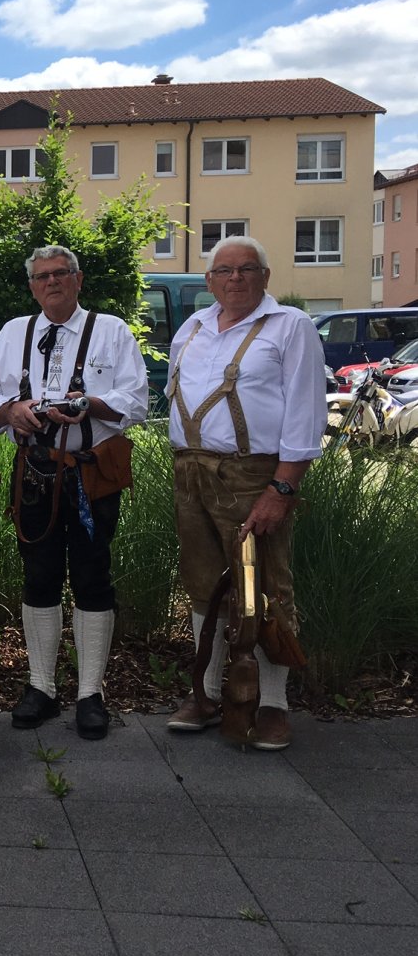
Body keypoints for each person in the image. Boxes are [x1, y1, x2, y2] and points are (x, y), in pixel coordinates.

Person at [163, 238, 324, 750]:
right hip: (190, 471)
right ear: (209, 281)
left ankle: (273, 704)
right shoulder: (192, 327)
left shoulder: (291, 327)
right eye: (224, 271)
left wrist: (283, 487)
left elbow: (306, 411)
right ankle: (209, 693)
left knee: (267, 587)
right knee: (204, 585)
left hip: (253, 476)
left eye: (246, 269)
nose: (235, 278)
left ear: (265, 275)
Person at [0, 245, 148, 740]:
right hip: (34, 471)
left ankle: (90, 693)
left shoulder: (112, 331)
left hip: (90, 475)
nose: (51, 282)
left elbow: (137, 400)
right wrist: (11, 411)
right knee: (39, 576)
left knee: (93, 575)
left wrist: (90, 403)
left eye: (61, 274)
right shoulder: (14, 332)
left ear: (78, 281)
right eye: (42, 277)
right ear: (32, 286)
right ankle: (41, 687)